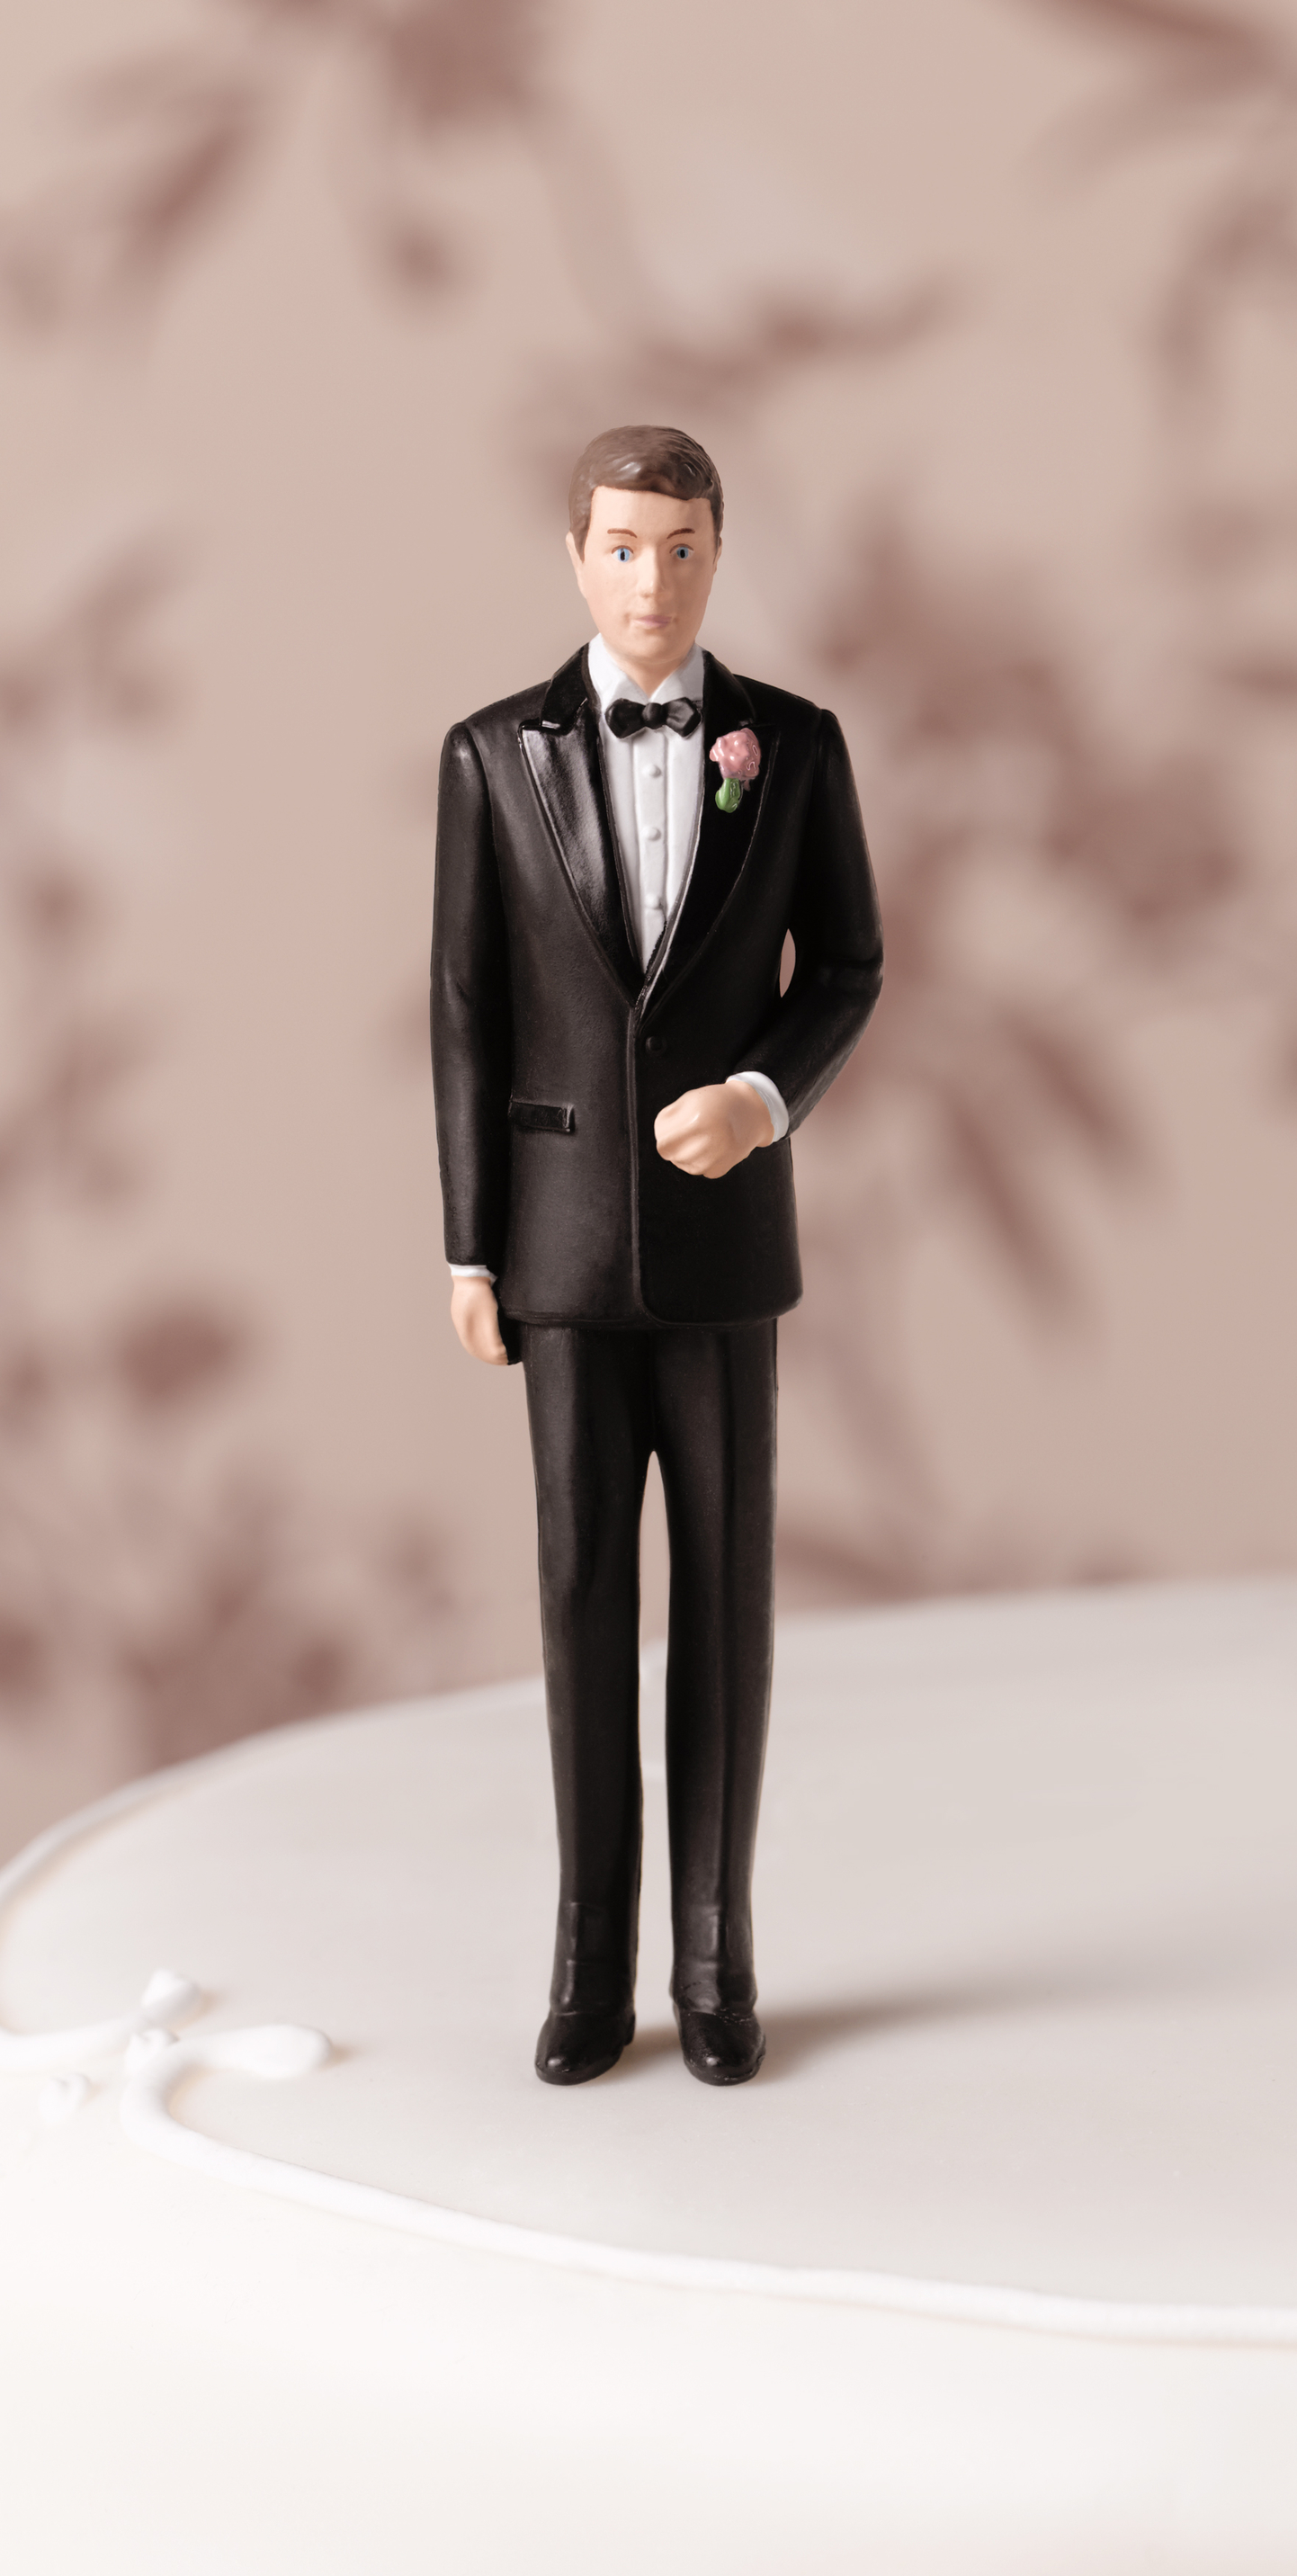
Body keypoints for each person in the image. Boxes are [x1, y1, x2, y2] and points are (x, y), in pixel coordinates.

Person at [430, 425, 884, 2081]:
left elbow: (848, 964)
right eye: (622, 547)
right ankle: (583, 1969)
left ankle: (716, 1965)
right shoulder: (489, 757)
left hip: (720, 1257)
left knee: (727, 1613)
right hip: (555, 1256)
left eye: (680, 548)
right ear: (575, 557)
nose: (651, 580)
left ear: (719, 553)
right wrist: (473, 1249)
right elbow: (469, 1018)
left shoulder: (798, 746)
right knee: (577, 1608)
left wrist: (767, 1095)